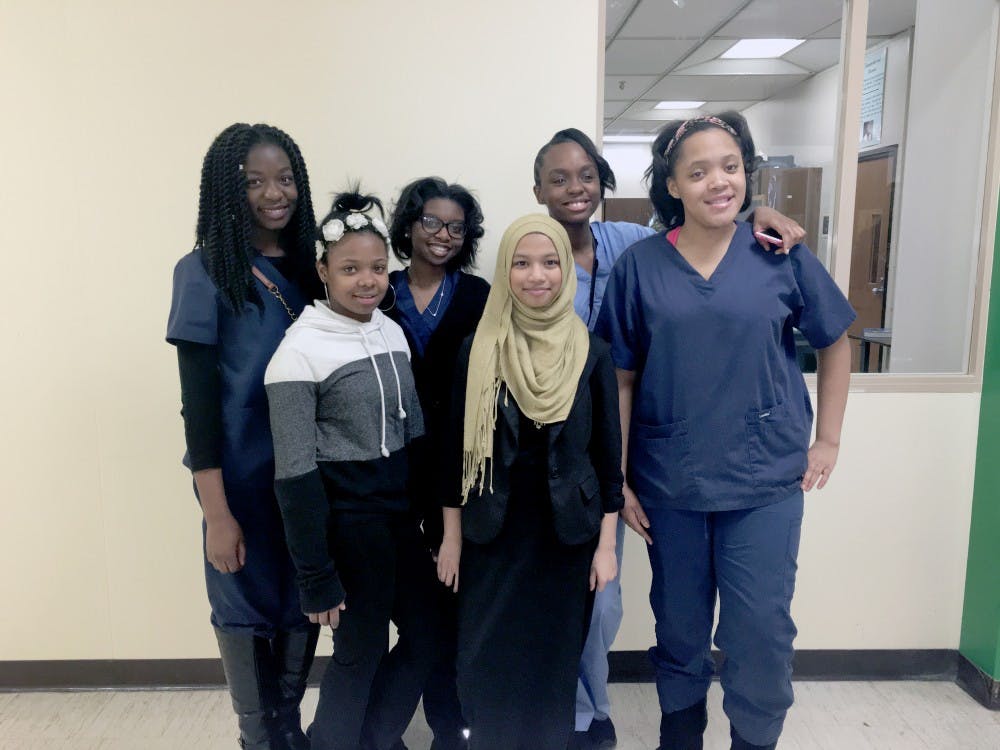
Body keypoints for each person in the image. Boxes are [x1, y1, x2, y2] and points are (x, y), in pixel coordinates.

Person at [531, 127, 807, 750]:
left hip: (639, 448)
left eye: (587, 176)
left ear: (604, 182)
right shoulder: (530, 251)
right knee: (596, 601)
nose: (575, 188)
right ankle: (581, 715)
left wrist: (757, 212)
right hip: (575, 451)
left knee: (611, 599)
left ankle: (595, 710)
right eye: (558, 178)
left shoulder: (630, 245)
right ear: (538, 189)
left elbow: (706, 237)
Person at [596, 113, 853, 750]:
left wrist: (828, 439)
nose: (719, 181)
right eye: (699, 171)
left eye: (731, 167)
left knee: (759, 633)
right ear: (673, 185)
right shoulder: (639, 266)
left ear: (747, 173)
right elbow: (621, 378)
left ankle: (753, 739)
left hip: (764, 481)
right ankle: (680, 737)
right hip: (671, 484)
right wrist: (619, 477)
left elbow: (835, 341)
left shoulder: (779, 253)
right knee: (679, 631)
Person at [265, 190, 440, 750]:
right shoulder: (298, 353)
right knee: (359, 653)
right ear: (323, 270)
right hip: (347, 525)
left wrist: (434, 525)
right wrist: (315, 575)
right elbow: (294, 475)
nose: (367, 281)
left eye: (377, 268)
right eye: (350, 269)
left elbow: (414, 434)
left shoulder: (390, 330)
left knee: (429, 634)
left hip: (399, 522)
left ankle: (374, 739)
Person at [166, 123, 322, 750]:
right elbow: (199, 407)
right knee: (244, 609)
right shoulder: (204, 272)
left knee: (303, 600)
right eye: (254, 182)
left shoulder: (315, 269)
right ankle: (259, 738)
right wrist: (216, 513)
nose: (273, 194)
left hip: (308, 478)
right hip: (239, 481)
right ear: (227, 191)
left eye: (284, 179)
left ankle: (288, 731)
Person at [442, 214, 625, 750]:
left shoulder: (591, 352)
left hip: (565, 537)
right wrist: (451, 538)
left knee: (552, 663)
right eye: (521, 263)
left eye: (549, 263)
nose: (536, 275)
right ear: (505, 271)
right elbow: (452, 454)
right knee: (484, 659)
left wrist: (606, 548)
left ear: (566, 270)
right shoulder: (478, 350)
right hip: (491, 532)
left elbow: (607, 460)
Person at [385, 176, 490, 750]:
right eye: (431, 222)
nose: (444, 235)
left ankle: (450, 728)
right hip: (391, 472)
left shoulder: (477, 296)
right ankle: (384, 728)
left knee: (450, 608)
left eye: (455, 227)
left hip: (457, 472)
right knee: (406, 610)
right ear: (408, 225)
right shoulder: (378, 290)